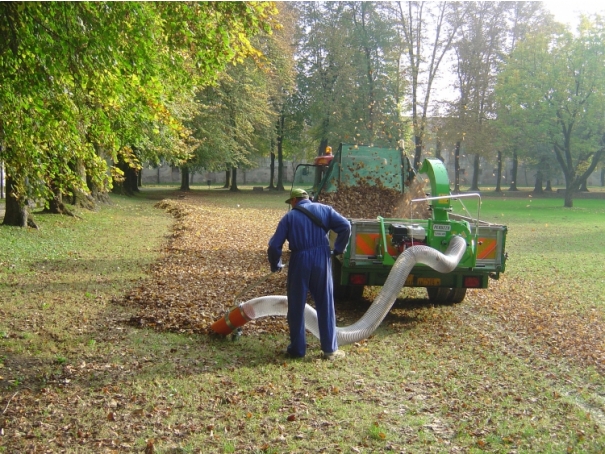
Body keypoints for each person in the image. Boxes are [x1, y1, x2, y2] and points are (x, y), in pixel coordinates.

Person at [267, 188, 351, 360]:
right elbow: (345, 226)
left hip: (299, 260)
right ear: (308, 199)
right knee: (325, 303)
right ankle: (330, 350)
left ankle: (297, 350)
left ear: (294, 201)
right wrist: (338, 249)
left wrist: (275, 264)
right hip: (322, 258)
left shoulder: (289, 218)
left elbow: (274, 246)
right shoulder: (325, 210)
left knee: (296, 306)